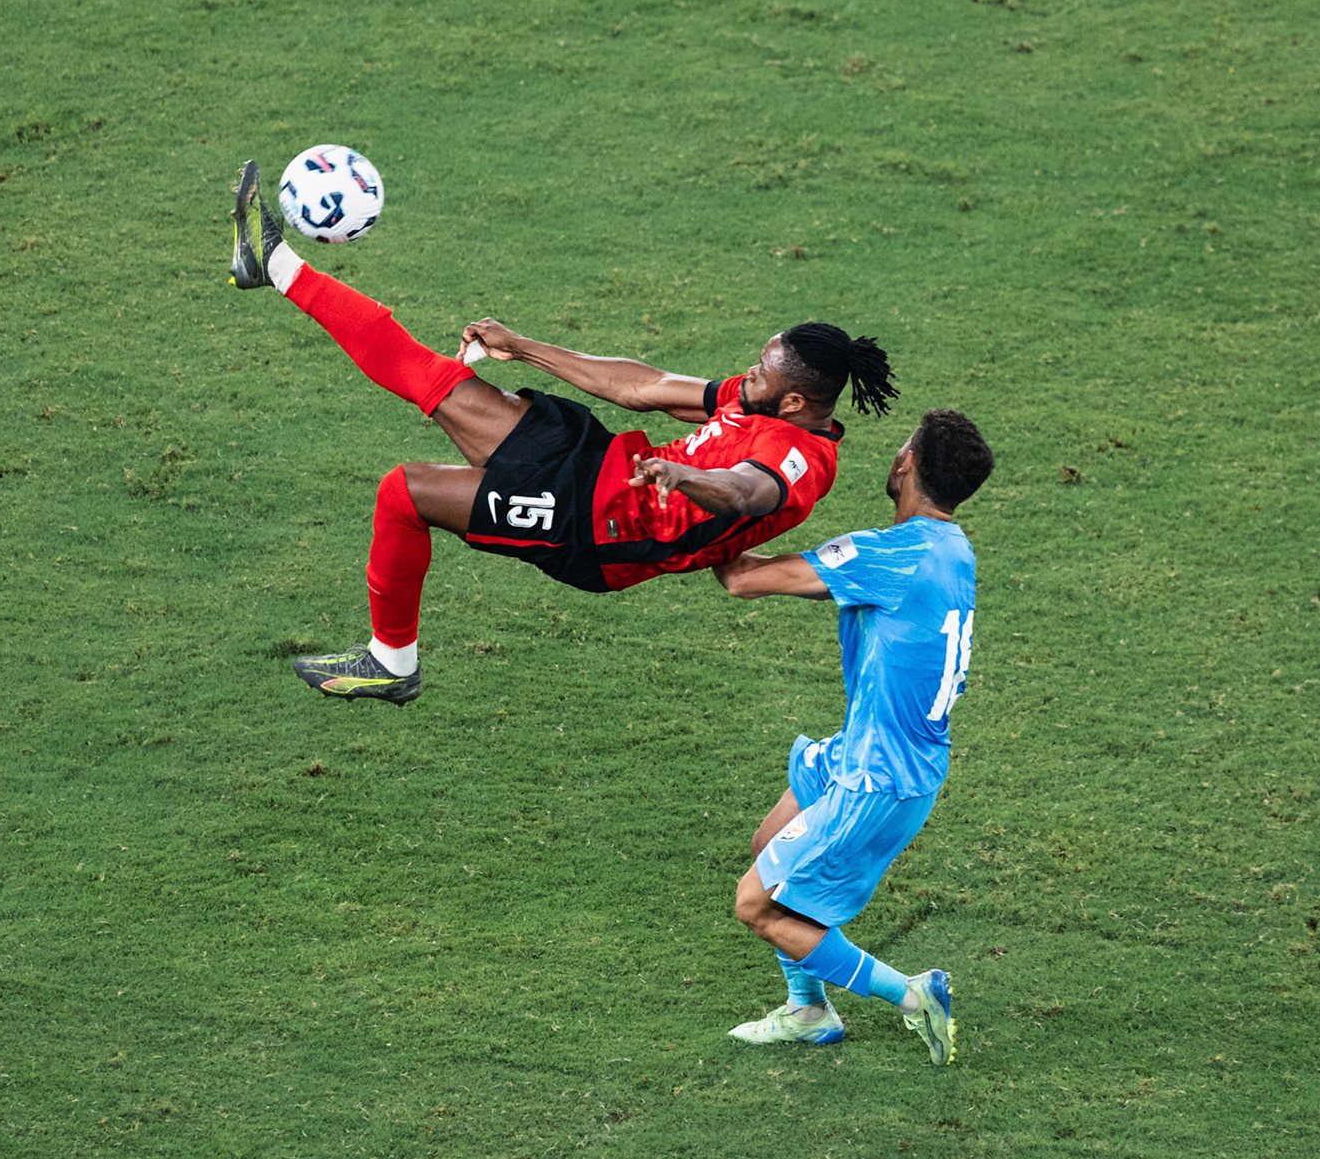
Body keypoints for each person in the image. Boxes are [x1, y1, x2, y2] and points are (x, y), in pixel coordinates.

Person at [227, 160, 899, 705]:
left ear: (796, 400)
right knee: (432, 378)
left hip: (595, 530)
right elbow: (640, 386)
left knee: (402, 493)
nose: (747, 373)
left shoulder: (800, 459)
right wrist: (522, 346)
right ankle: (275, 266)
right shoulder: (762, 405)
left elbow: (748, 492)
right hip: (599, 461)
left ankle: (390, 662)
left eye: (761, 371)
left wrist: (683, 476)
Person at [711, 408, 993, 1066]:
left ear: (908, 467)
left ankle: (912, 995)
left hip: (877, 778)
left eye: (903, 446)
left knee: (756, 903)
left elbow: (741, 579)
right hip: (871, 750)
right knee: (766, 844)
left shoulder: (887, 555)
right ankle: (809, 1008)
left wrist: (720, 501)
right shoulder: (952, 548)